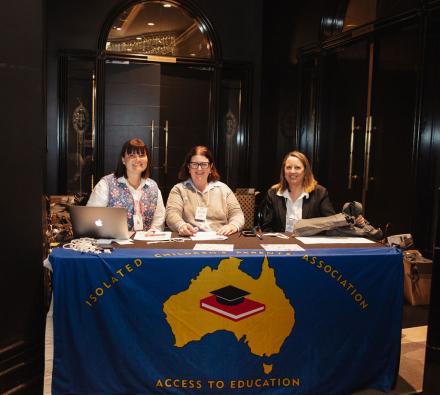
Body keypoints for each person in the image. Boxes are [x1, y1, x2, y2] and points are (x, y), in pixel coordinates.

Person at [260, 150, 372, 235]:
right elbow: (267, 228)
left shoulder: (320, 193)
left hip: (311, 249)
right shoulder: (273, 193)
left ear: (305, 171)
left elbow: (331, 222)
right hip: (281, 247)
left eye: (297, 167)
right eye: (288, 167)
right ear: (283, 171)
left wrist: (355, 222)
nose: (292, 171)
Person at [87, 138, 165, 232]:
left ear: (147, 159)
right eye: (132, 155)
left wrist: (153, 231)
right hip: (114, 242)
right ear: (123, 159)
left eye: (142, 155)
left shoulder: (153, 187)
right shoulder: (106, 184)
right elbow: (91, 217)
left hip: (146, 242)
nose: (137, 159)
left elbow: (159, 218)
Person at [166, 145, 244, 236]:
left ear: (210, 167)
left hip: (220, 238)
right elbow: (171, 214)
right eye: (194, 164)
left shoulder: (224, 189)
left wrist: (232, 226)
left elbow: (237, 214)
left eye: (203, 164)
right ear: (189, 167)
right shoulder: (178, 189)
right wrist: (181, 225)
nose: (199, 169)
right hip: (190, 238)